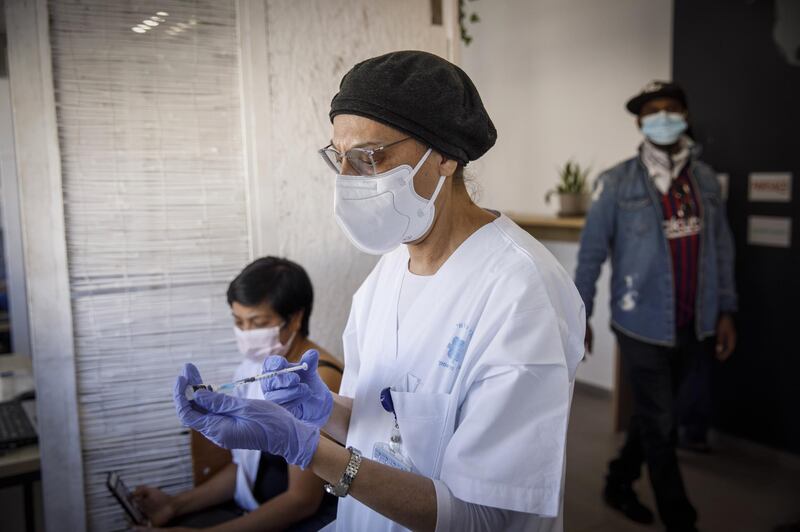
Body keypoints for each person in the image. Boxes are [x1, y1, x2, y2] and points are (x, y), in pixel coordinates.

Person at [171, 51, 586, 531]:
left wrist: (307, 448)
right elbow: (391, 434)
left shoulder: (522, 292)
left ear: (446, 155)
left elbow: (482, 517)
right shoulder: (385, 277)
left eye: (369, 157)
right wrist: (327, 413)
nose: (347, 181)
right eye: (339, 158)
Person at [574, 81, 738, 532]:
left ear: (684, 114)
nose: (662, 117)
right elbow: (591, 254)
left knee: (656, 415)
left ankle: (618, 480)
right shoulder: (617, 181)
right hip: (641, 323)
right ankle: (680, 519)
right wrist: (579, 314)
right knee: (662, 427)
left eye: (670, 109)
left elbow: (721, 247)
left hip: (695, 321)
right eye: (652, 111)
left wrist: (726, 310)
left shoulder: (704, 180)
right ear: (640, 123)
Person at [134, 257, 343, 531]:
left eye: (257, 323)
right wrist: (174, 505)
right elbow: (247, 470)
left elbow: (302, 500)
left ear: (295, 319)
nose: (246, 334)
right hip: (251, 511)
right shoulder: (255, 367)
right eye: (239, 322)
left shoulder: (316, 382)